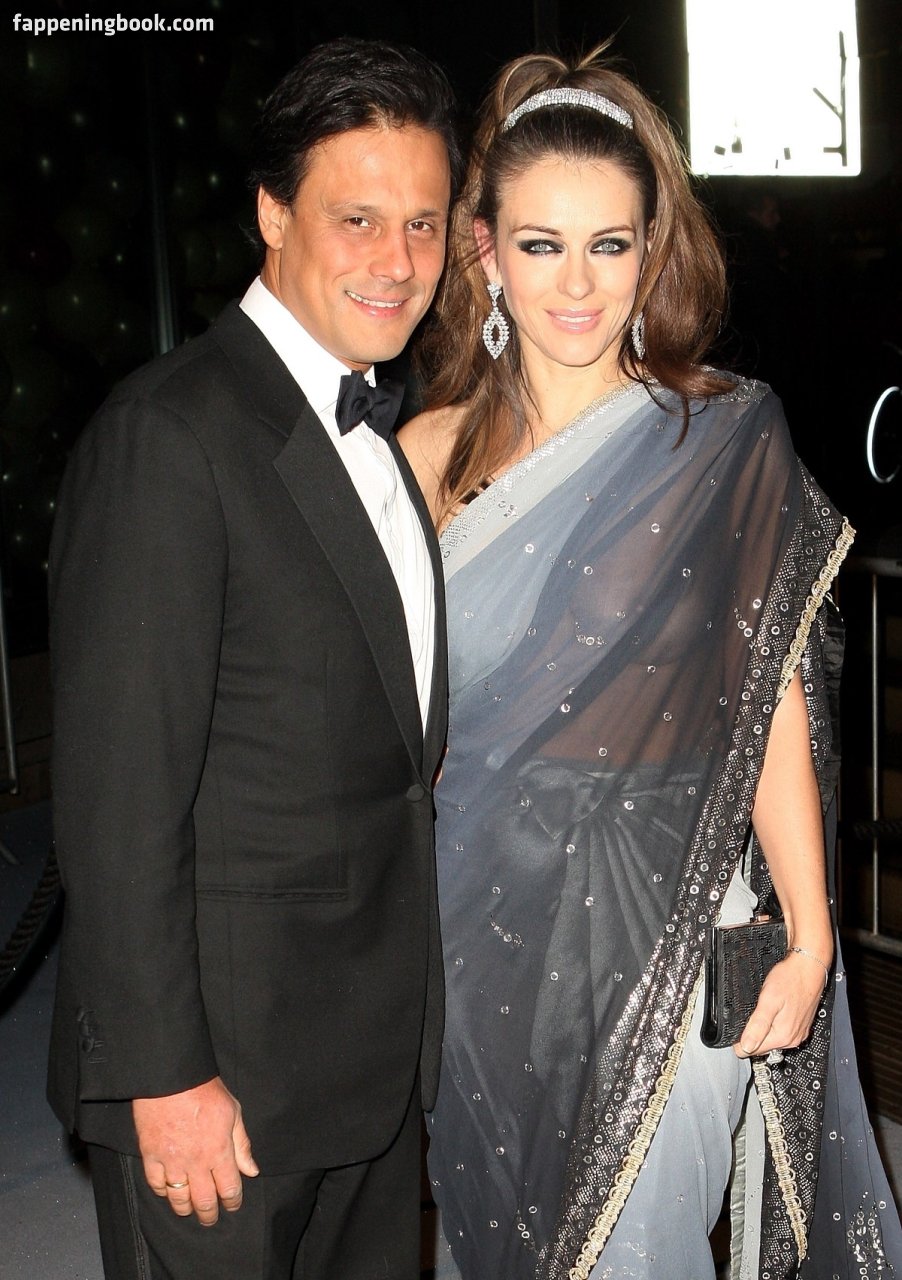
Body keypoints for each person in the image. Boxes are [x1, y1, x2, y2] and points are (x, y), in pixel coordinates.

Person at [400, 47, 902, 1280]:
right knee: (500, 1240)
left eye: (608, 245)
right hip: (472, 923)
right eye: (540, 244)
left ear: (650, 252)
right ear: (484, 253)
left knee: (637, 1244)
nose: (576, 283)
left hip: (671, 907)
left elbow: (767, 704)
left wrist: (809, 931)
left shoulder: (723, 435)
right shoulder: (421, 456)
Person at [47, 37, 460, 1280]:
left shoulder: (374, 432)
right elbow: (117, 803)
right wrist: (163, 1073)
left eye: (424, 223)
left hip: (365, 1063)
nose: (398, 260)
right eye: (356, 219)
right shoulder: (170, 435)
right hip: (222, 1084)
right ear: (272, 214)